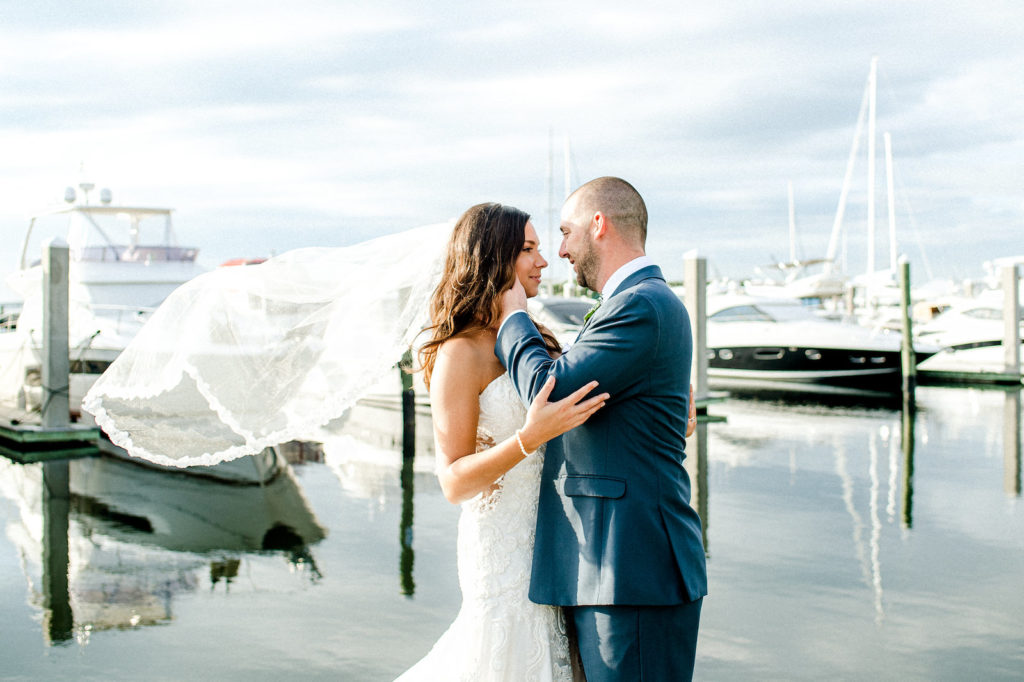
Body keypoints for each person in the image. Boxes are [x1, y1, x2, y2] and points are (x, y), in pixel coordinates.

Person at [496, 177, 708, 681]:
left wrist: (512, 316)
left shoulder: (641, 305)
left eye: (566, 233)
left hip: (630, 570)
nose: (562, 251)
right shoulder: (638, 303)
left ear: (599, 225)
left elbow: (550, 390)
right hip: (612, 566)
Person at [396, 202, 609, 681]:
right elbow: (453, 482)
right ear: (495, 258)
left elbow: (583, 414)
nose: (543, 260)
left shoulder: (541, 341)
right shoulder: (459, 353)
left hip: (560, 546)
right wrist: (528, 438)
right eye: (529, 250)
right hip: (500, 550)